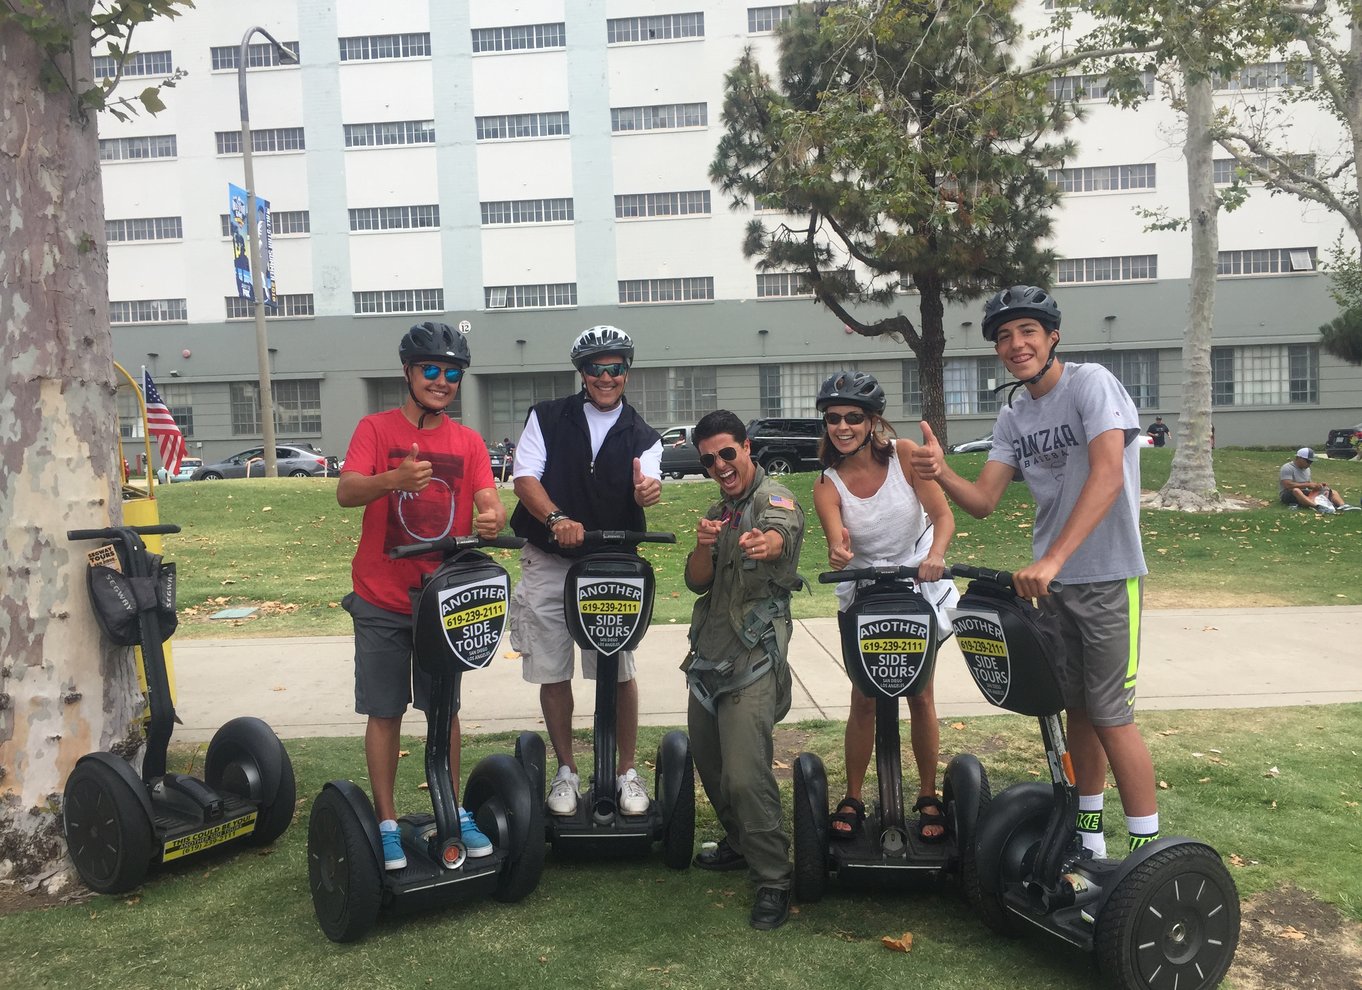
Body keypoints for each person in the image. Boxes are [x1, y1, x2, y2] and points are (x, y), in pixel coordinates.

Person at [912, 285, 1160, 858]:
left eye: (1027, 331)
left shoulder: (1091, 384)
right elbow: (981, 501)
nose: (1015, 344)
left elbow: (1107, 473)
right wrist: (941, 472)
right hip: (1051, 587)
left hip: (1106, 574)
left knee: (1112, 713)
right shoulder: (1015, 413)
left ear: (1053, 336)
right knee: (1078, 707)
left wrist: (1053, 557)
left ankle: (1150, 850)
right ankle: (1091, 841)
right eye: (1004, 336)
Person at [337, 321, 506, 870]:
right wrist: (394, 480)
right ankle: (387, 824)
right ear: (408, 373)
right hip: (382, 597)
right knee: (385, 712)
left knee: (444, 712)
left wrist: (490, 516)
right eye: (430, 370)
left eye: (451, 373)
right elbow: (347, 491)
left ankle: (451, 810)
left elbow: (489, 501)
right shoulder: (376, 429)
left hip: (444, 601)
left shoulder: (468, 441)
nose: (441, 381)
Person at [509, 326, 663, 818]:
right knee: (553, 669)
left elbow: (649, 482)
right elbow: (525, 477)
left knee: (616, 670)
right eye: (596, 367)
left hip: (612, 565)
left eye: (615, 367)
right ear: (582, 372)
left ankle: (624, 772)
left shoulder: (644, 436)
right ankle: (566, 771)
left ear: (627, 372)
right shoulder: (548, 417)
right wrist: (556, 519)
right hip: (551, 560)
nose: (606, 377)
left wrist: (646, 494)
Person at [811, 371, 959, 844]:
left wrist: (935, 556)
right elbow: (837, 539)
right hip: (864, 593)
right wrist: (839, 552)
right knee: (864, 698)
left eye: (854, 417)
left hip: (918, 586)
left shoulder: (905, 457)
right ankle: (853, 795)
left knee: (920, 694)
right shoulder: (827, 484)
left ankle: (928, 793)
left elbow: (942, 515)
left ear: (873, 420)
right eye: (834, 418)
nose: (843, 426)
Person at [684, 410, 806, 930]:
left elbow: (782, 533)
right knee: (711, 766)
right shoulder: (720, 509)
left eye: (726, 453)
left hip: (753, 660)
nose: (719, 465)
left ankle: (775, 878)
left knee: (744, 773)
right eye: (709, 459)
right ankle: (740, 844)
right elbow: (695, 582)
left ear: (747, 447)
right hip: (709, 659)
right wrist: (704, 546)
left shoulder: (772, 499)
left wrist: (766, 543)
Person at [1279, 447, 1357, 512]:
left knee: (1330, 491)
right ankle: (1318, 507)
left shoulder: (1307, 469)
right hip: (1288, 494)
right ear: (1299, 458)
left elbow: (1308, 484)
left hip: (1304, 492)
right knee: (1296, 490)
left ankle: (1342, 506)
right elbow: (1287, 485)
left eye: (1311, 462)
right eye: (1308, 461)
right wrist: (1308, 485)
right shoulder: (1287, 468)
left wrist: (1317, 486)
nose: (1309, 464)